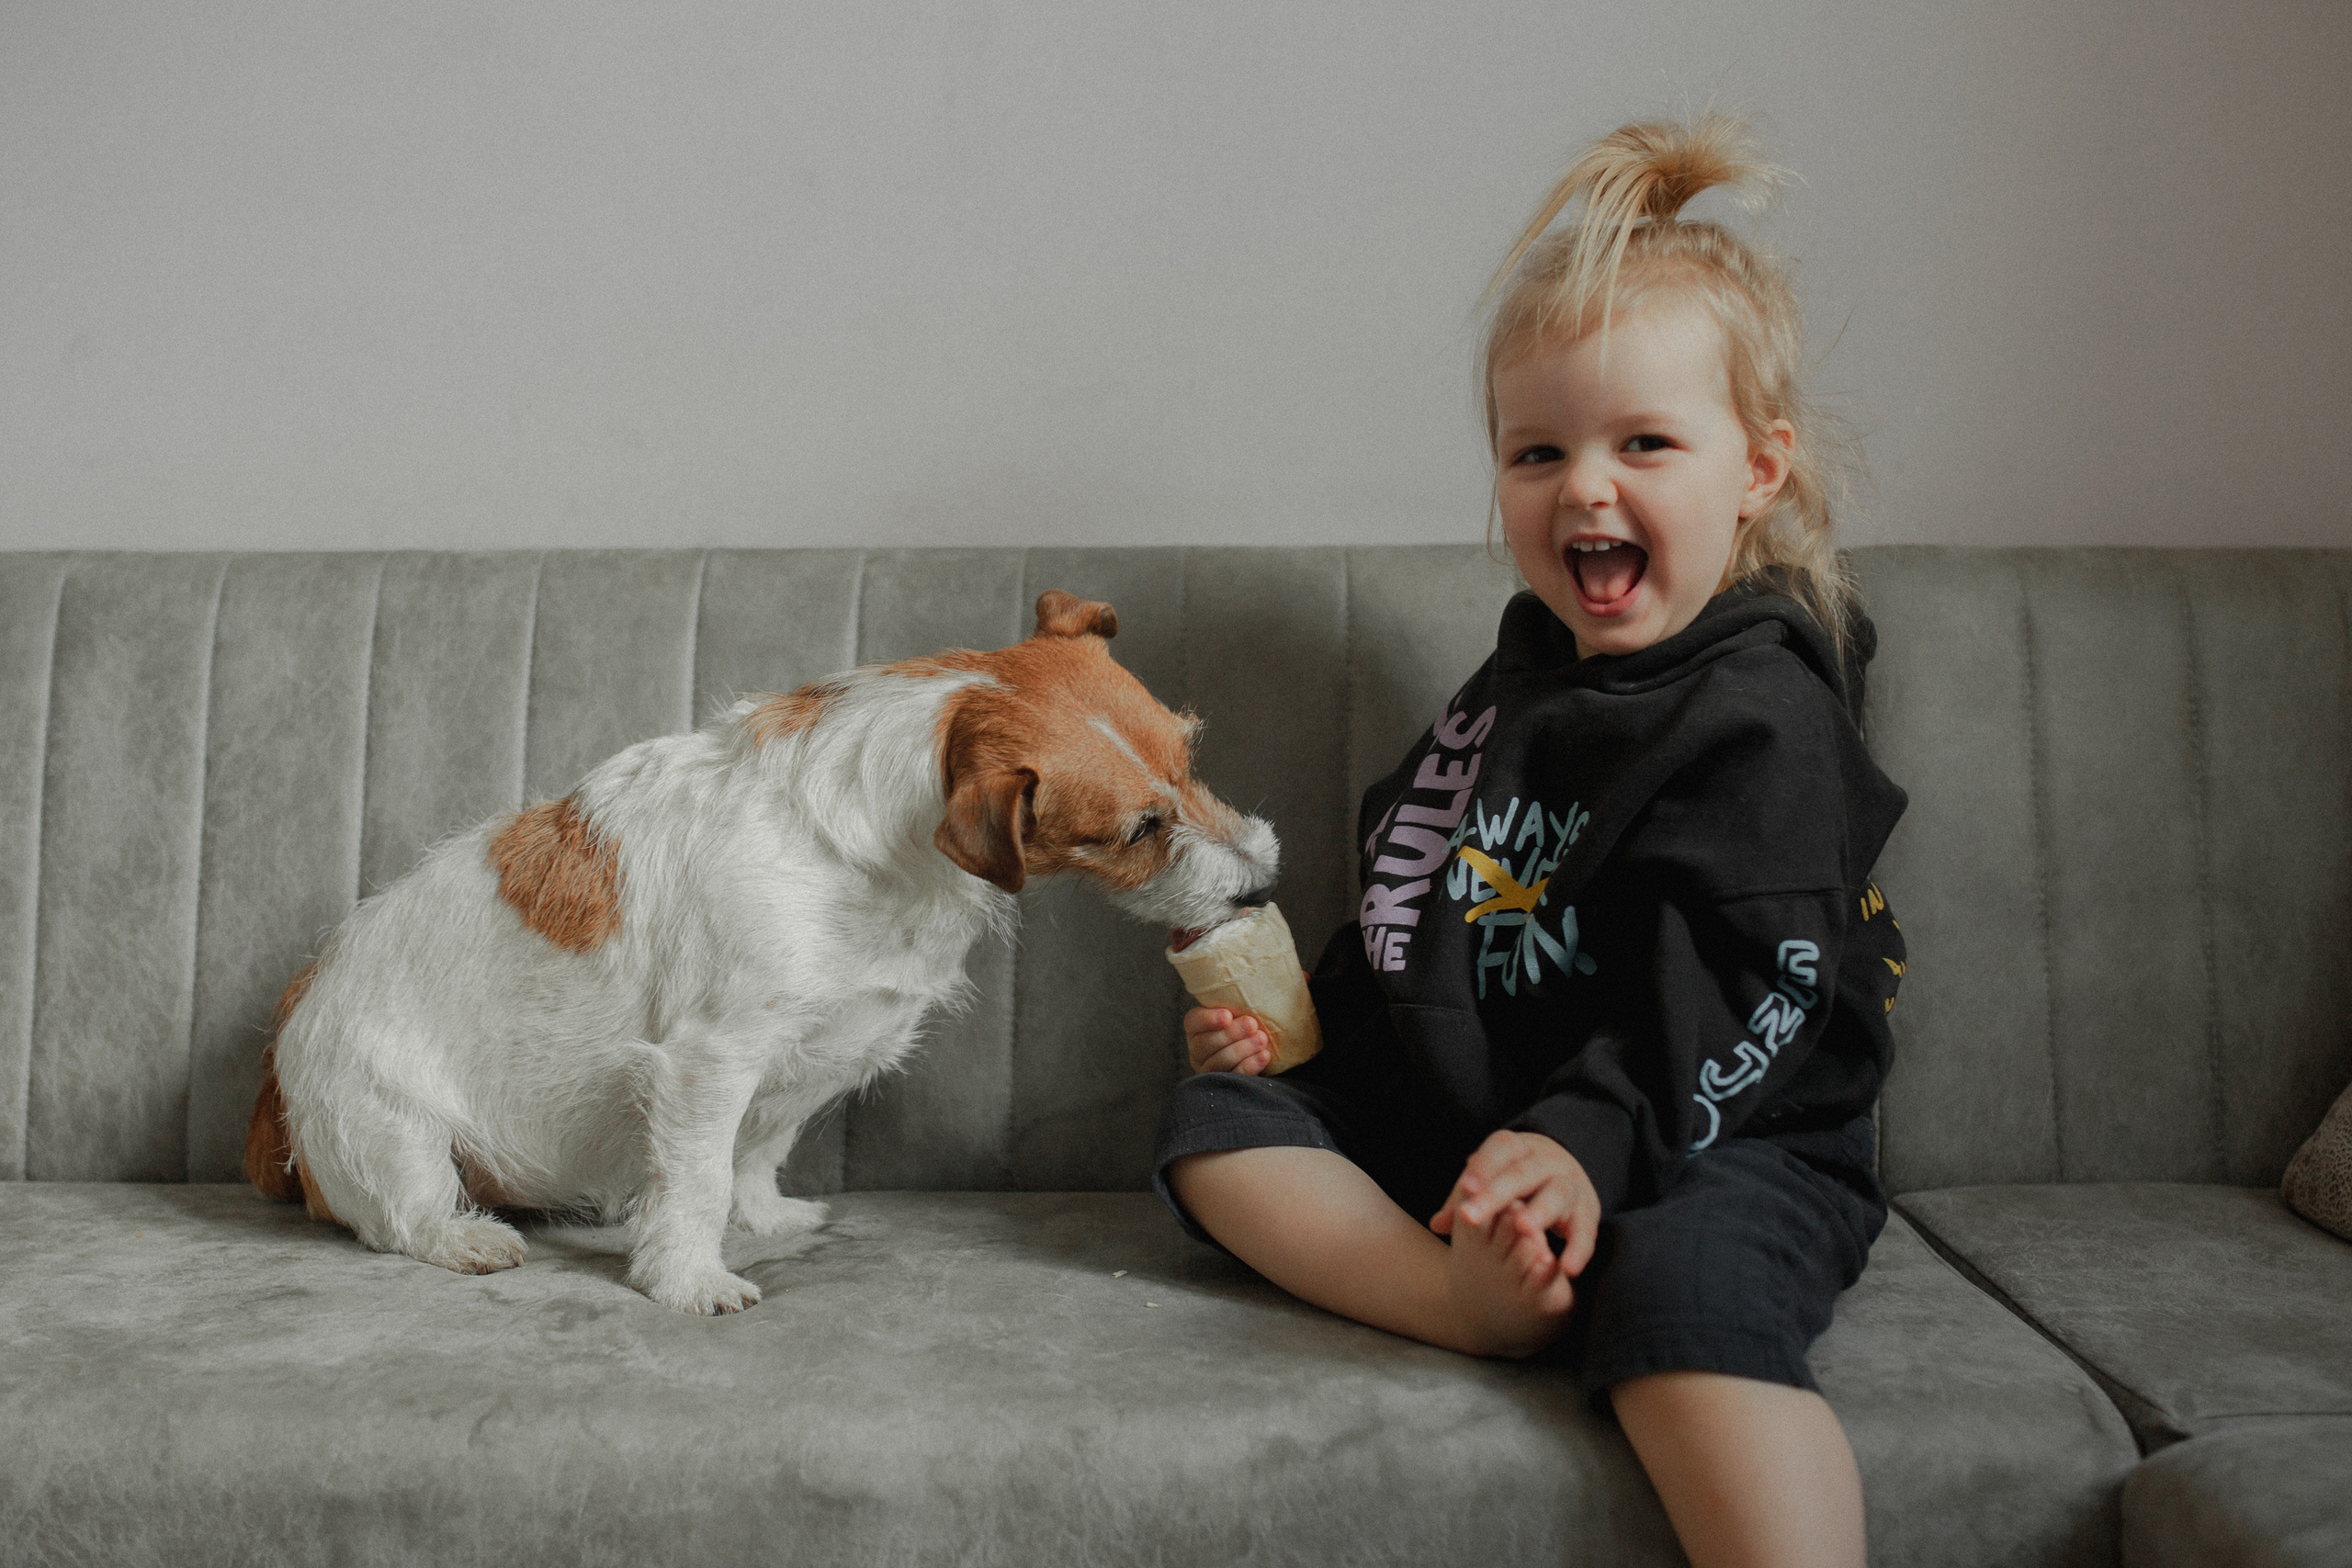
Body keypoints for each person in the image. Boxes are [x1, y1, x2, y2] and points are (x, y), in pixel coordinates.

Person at [1157, 115, 1908, 1568]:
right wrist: (1302, 1043)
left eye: (1646, 444)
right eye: (1538, 450)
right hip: (1492, 1114)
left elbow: (1749, 986)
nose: (1585, 486)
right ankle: (1461, 1301)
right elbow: (1417, 897)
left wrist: (1583, 1147)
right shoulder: (1520, 681)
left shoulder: (1762, 713)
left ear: (1756, 468)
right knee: (1216, 1134)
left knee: (1681, 1294)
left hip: (1713, 1131)